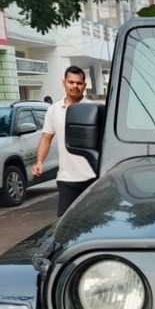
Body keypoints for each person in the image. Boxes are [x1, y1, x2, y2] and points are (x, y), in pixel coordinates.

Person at [32, 66, 96, 217]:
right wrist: (39, 161)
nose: (75, 86)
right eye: (71, 82)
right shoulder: (53, 110)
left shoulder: (93, 109)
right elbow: (46, 139)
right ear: (64, 83)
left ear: (84, 85)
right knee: (64, 223)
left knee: (92, 222)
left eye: (79, 83)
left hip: (93, 178)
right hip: (67, 179)